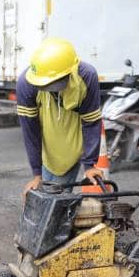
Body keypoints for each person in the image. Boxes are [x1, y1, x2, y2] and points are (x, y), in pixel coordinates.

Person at [17, 37, 104, 197]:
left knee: (56, 197)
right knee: (47, 195)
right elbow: (30, 131)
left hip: (70, 141)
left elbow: (91, 121)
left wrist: (89, 165)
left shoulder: (87, 76)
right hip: (48, 136)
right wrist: (37, 174)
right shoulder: (26, 84)